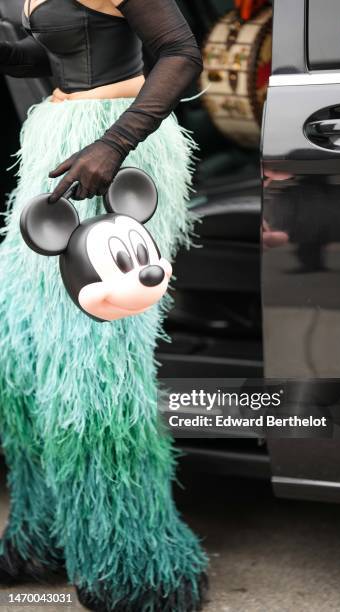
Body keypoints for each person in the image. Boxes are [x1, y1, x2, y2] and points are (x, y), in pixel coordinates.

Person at [0, 1, 208, 610]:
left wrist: (114, 143)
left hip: (118, 156)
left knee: (92, 367)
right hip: (56, 146)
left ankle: (139, 562)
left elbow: (180, 52)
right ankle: (44, 534)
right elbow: (65, 47)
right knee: (21, 352)